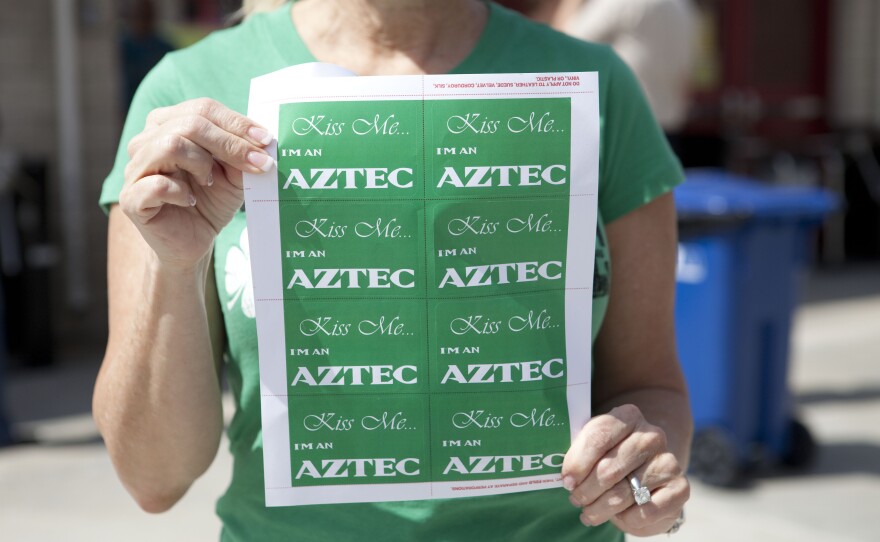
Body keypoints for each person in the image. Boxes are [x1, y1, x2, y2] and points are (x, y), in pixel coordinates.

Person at [94, 1, 692, 540]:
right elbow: (155, 478)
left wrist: (643, 468)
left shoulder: (596, 86)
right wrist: (174, 268)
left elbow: (651, 385)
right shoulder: (187, 95)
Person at [553, 0, 697, 145]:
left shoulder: (620, 3)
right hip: (669, 125)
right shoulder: (683, 6)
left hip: (628, 128)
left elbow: (564, 43)